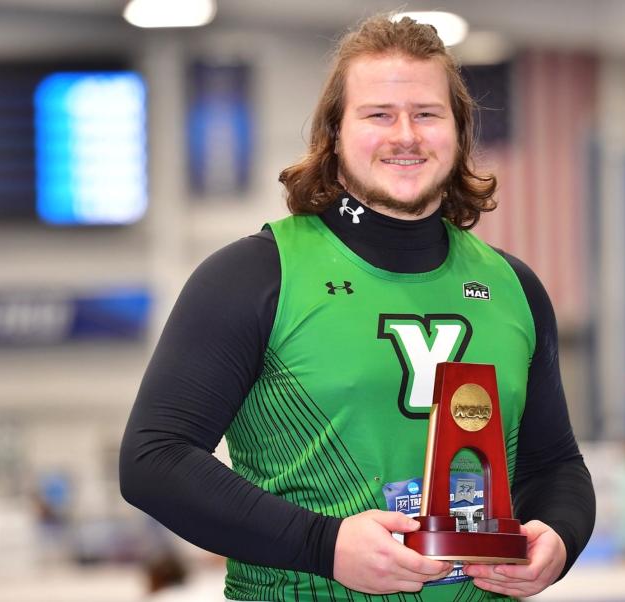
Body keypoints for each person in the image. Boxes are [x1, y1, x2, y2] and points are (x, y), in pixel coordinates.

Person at [120, 13, 595, 601]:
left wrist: (559, 538)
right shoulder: (254, 276)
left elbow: (556, 466)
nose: (406, 135)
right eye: (378, 115)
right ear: (334, 135)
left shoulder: (513, 288)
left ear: (460, 132)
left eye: (427, 114)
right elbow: (153, 461)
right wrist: (324, 544)